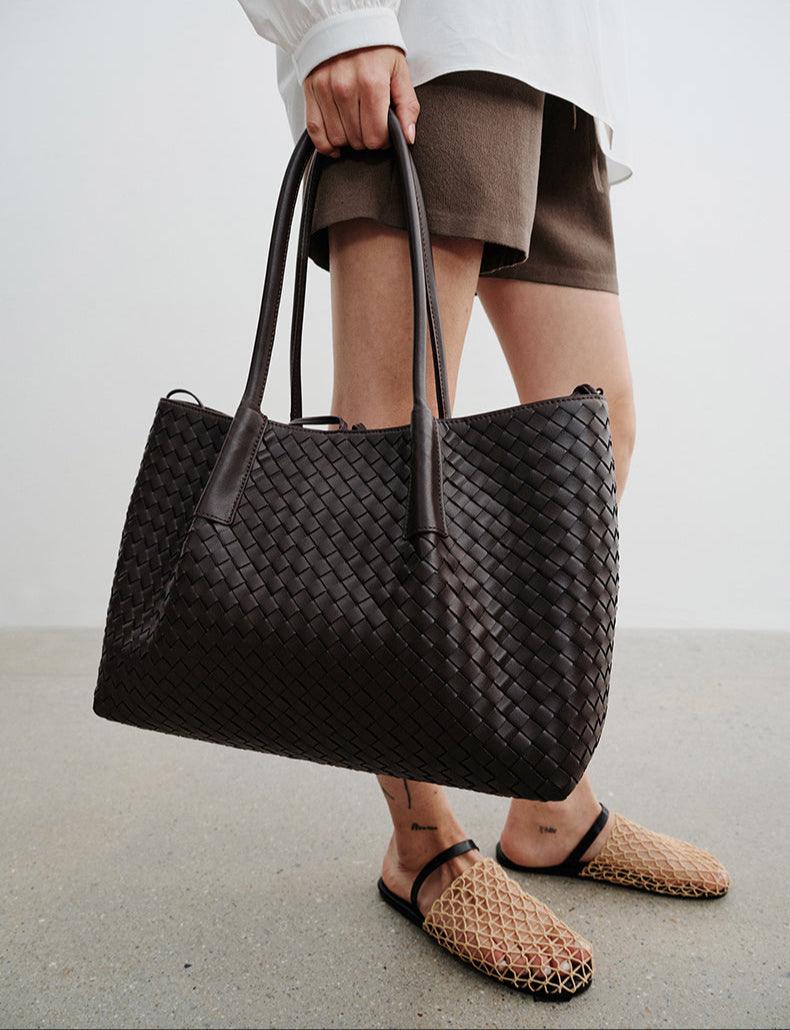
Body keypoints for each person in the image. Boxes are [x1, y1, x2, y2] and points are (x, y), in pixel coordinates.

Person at [236, 0, 730, 998]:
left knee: (590, 436)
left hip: (556, 70)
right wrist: (335, 20)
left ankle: (549, 806)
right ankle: (421, 842)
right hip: (430, 52)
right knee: (393, 453)